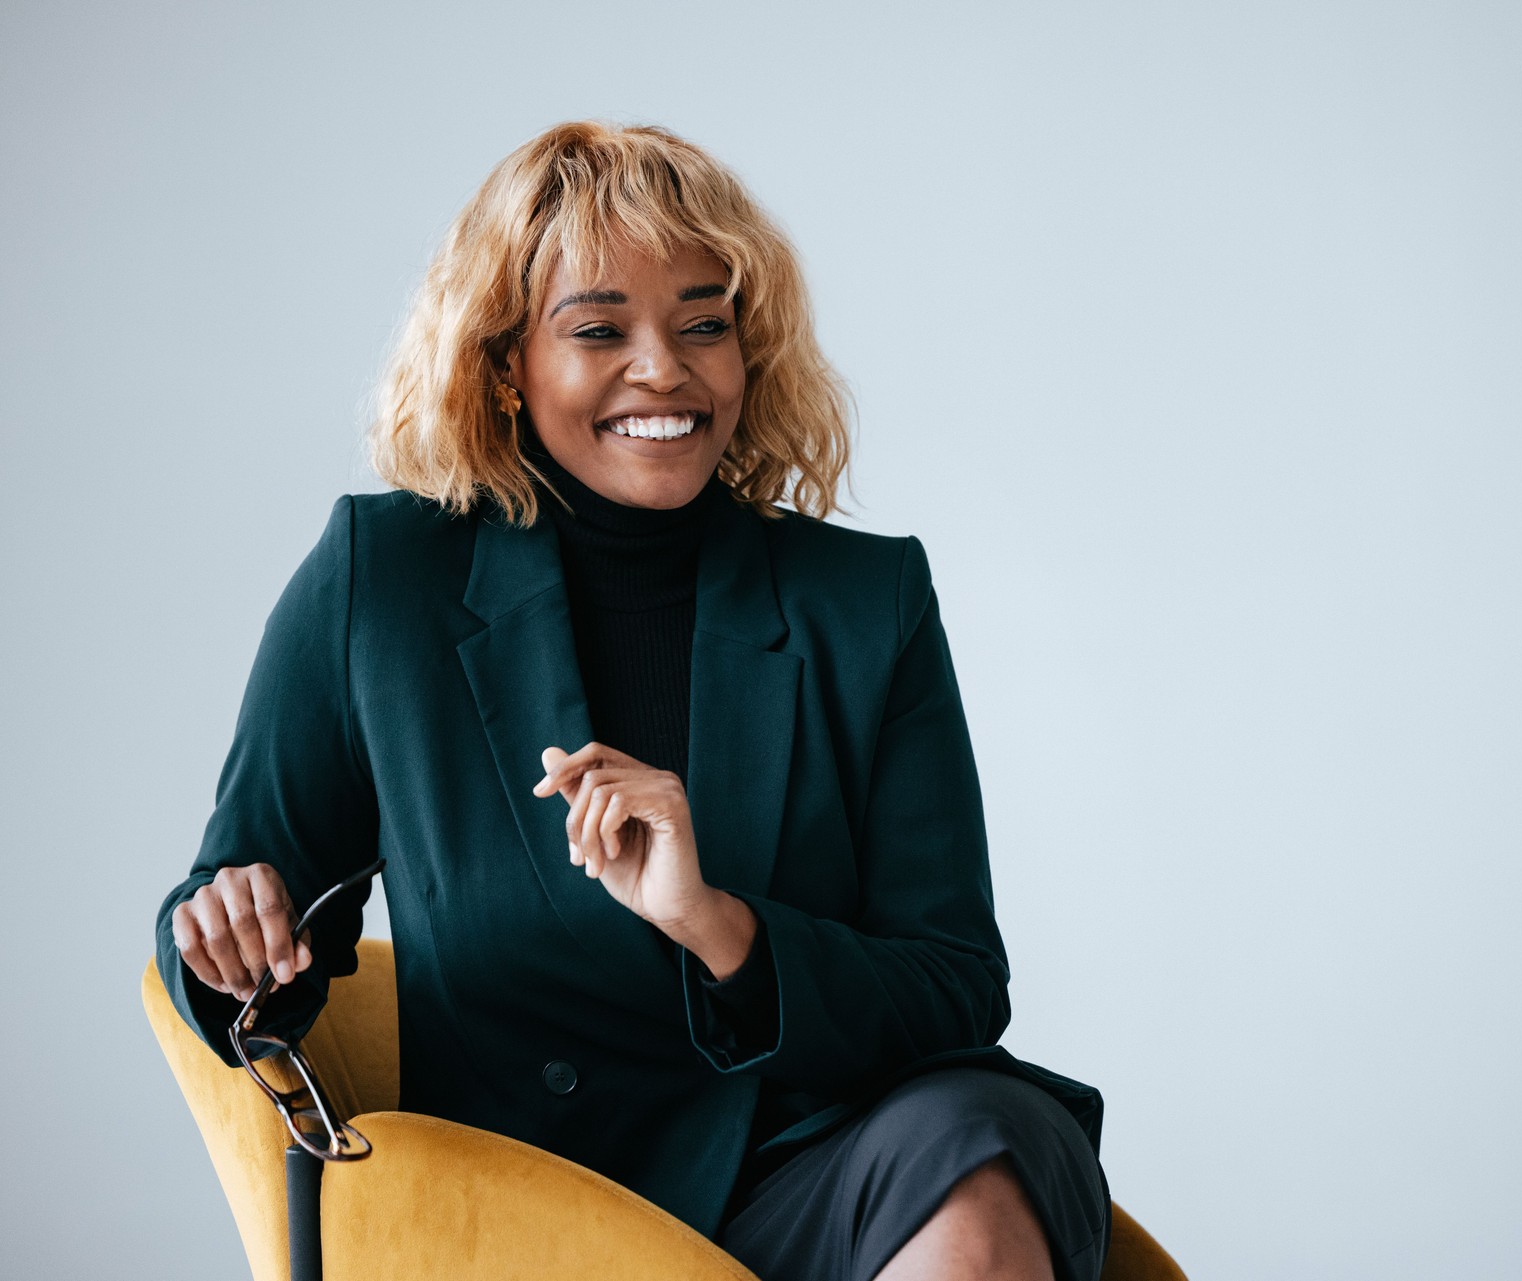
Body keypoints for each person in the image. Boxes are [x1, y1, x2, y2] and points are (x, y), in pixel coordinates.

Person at [152, 120, 1111, 1281]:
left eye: (703, 324)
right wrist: (229, 937)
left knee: (982, 1143)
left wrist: (715, 923)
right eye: (599, 329)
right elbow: (247, 906)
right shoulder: (383, 580)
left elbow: (956, 985)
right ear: (506, 362)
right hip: (542, 1196)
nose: (664, 368)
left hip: (817, 1159)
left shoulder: (867, 600)